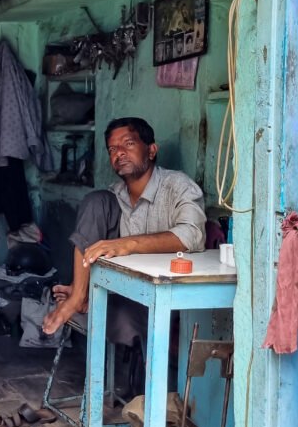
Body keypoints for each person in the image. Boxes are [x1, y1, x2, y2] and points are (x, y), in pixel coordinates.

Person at [42, 117, 206, 346]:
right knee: (96, 200)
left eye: (128, 144)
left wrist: (127, 244)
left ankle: (84, 300)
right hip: (125, 293)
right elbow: (90, 238)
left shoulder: (177, 186)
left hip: (169, 295)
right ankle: (80, 294)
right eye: (112, 149)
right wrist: (83, 285)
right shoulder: (113, 196)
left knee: (119, 317)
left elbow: (192, 236)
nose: (119, 153)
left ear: (151, 150)